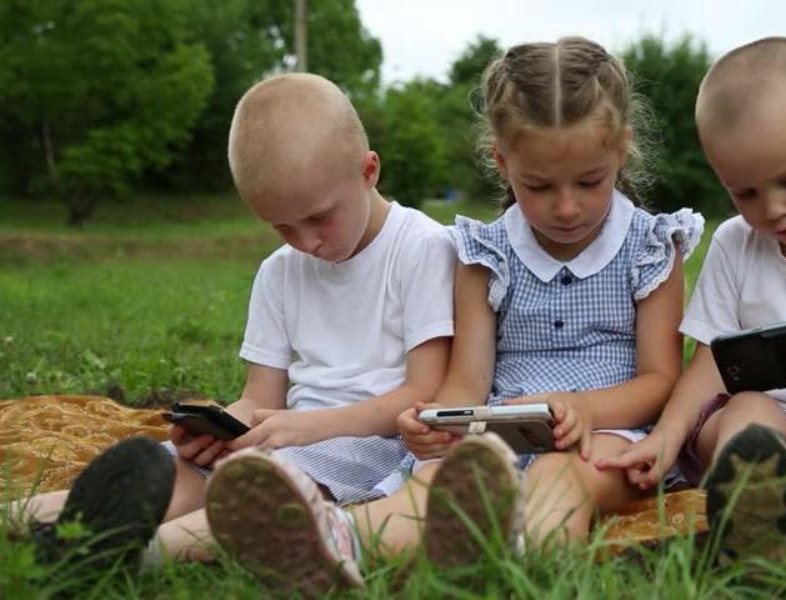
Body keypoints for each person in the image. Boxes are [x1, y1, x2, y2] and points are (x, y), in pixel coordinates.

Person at [205, 37, 703, 592]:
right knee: (439, 481)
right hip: (500, 427)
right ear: (502, 161)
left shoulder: (653, 245)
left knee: (560, 475)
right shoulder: (483, 254)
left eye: (590, 182)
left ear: (621, 151)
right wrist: (432, 421)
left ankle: (528, 566)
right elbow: (466, 380)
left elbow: (661, 380)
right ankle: (332, 538)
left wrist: (580, 409)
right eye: (538, 186)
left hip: (610, 430)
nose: (567, 207)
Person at [13, 73, 456, 576]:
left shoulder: (421, 248)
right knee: (175, 467)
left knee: (256, 488)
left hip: (375, 444)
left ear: (368, 170)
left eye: (318, 218)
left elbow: (423, 394)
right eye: (281, 226)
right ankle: (35, 522)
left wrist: (301, 428)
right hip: (287, 436)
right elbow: (257, 397)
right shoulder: (279, 271)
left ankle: (131, 558)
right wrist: (222, 428)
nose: (305, 241)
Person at [596, 36, 786, 565]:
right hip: (759, 430)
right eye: (745, 193)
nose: (774, 209)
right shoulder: (736, 244)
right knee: (751, 409)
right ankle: (753, 509)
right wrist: (666, 434)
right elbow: (709, 360)